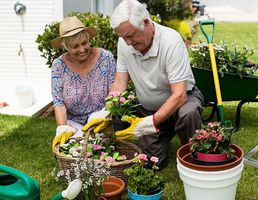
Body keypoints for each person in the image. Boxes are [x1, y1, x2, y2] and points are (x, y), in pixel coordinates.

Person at [95, 0, 203, 168]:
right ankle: (160, 137)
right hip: (149, 107)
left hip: (181, 102)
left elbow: (180, 95)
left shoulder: (170, 41)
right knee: (152, 163)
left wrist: (148, 123)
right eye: (123, 37)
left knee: (189, 113)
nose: (128, 42)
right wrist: (105, 112)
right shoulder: (124, 43)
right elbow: (119, 84)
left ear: (146, 22)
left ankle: (193, 158)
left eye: (130, 35)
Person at [51, 16, 116, 151]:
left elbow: (114, 93)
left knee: (100, 149)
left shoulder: (106, 58)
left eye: (84, 43)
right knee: (76, 150)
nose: (82, 49)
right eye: (75, 46)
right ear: (66, 47)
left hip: (100, 118)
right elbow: (59, 104)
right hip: (74, 121)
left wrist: (104, 116)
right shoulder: (58, 65)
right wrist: (63, 128)